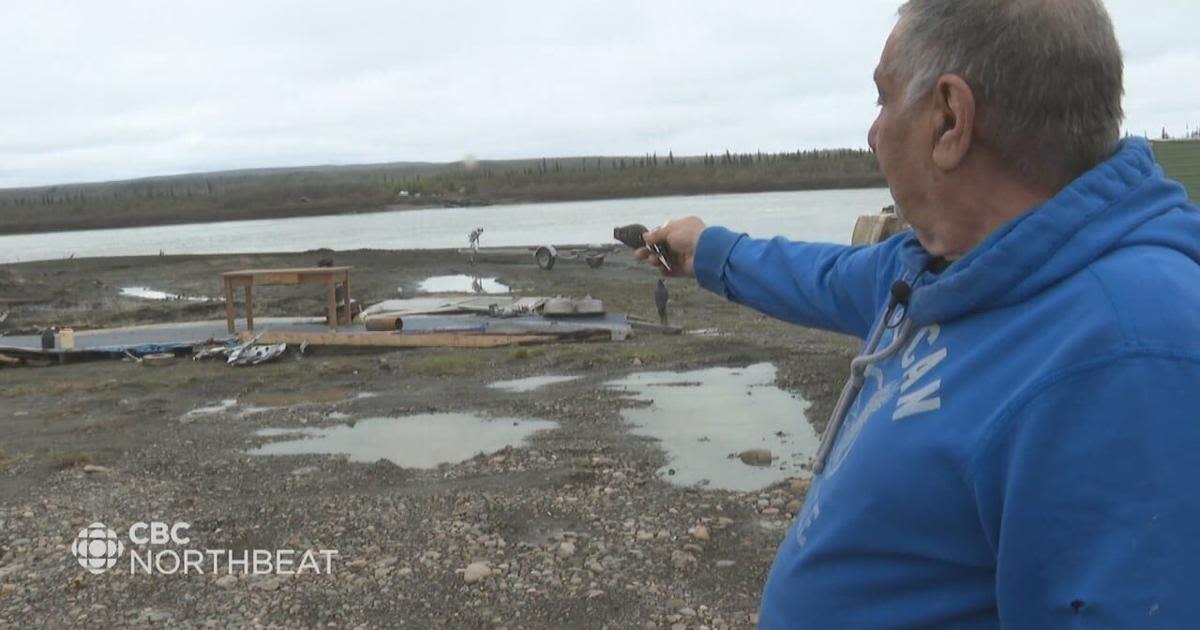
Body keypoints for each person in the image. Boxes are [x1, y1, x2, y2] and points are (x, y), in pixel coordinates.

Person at [638, 1, 1200, 627]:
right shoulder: (937, 268)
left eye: (883, 98)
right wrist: (707, 250)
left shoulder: (1129, 351)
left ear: (950, 120)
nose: (874, 132)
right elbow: (817, 276)